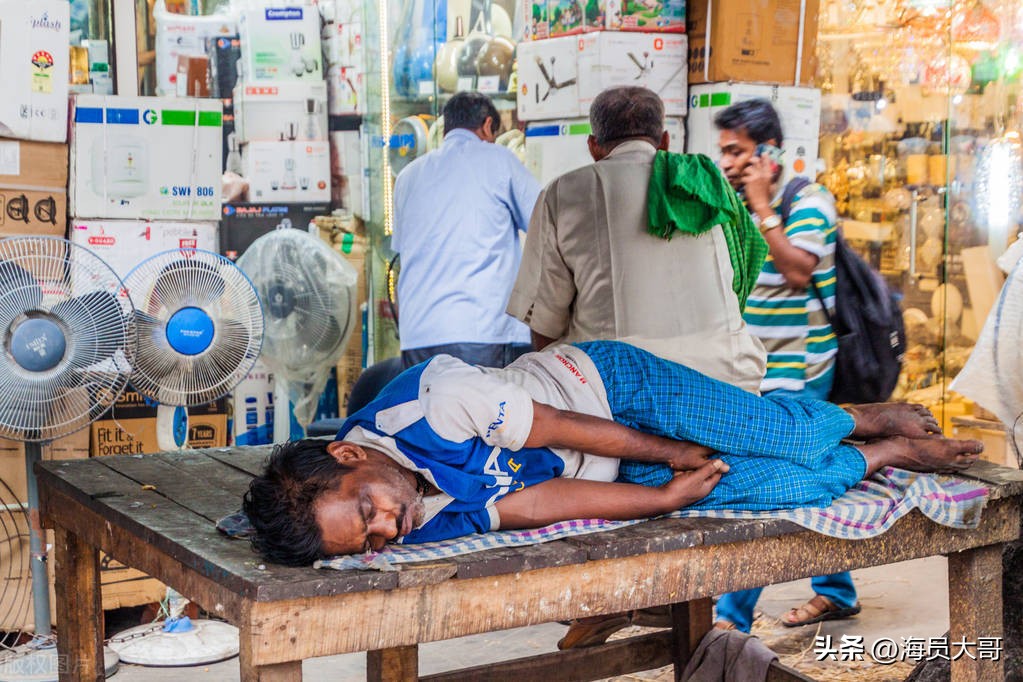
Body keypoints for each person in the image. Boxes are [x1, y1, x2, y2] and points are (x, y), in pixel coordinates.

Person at [243, 340, 981, 566]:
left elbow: (564, 426)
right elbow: (532, 505)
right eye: (368, 538)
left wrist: (675, 452)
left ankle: (856, 414)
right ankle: (886, 457)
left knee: (774, 435)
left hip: (605, 393)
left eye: (367, 509)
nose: (386, 527)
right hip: (609, 465)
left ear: (346, 454)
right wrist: (661, 496)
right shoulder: (411, 522)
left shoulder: (430, 403)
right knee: (780, 487)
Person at [507, 86, 766, 393]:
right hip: (731, 383)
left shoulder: (563, 193)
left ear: (593, 147)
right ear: (665, 142)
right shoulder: (709, 186)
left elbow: (544, 326)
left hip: (621, 392)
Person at [713, 98, 853, 632]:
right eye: (722, 151)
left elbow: (797, 271)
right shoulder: (740, 207)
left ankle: (732, 616)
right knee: (810, 475)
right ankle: (837, 588)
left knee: (764, 483)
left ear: (769, 153)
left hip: (801, 370)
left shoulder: (810, 201)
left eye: (737, 151)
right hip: (755, 369)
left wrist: (763, 205)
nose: (727, 162)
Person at [392, 91, 541, 370]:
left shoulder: (407, 177)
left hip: (417, 336)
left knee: (430, 412)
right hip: (483, 332)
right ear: (487, 126)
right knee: (494, 413)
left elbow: (402, 256)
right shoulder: (499, 159)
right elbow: (545, 222)